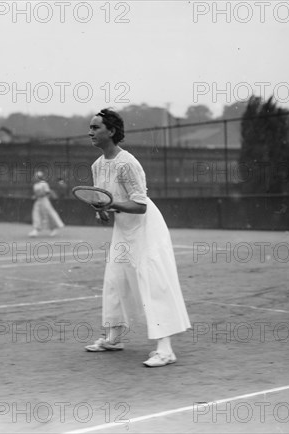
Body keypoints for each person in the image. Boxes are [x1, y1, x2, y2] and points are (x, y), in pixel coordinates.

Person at [84, 108, 191, 367]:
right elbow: (106, 203)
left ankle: (165, 349)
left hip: (146, 229)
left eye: (96, 127)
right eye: (90, 127)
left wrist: (112, 206)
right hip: (123, 228)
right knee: (115, 280)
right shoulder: (97, 166)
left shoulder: (128, 163)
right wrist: (102, 213)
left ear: (111, 131)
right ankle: (114, 337)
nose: (91, 132)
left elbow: (140, 205)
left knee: (152, 283)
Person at [28, 171, 65, 237]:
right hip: (38, 201)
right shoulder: (35, 185)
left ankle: (54, 229)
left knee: (49, 214)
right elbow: (36, 194)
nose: (35, 178)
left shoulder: (44, 184)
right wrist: (35, 196)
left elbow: (47, 192)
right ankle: (36, 230)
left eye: (36, 176)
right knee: (36, 214)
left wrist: (41, 195)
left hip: (45, 201)